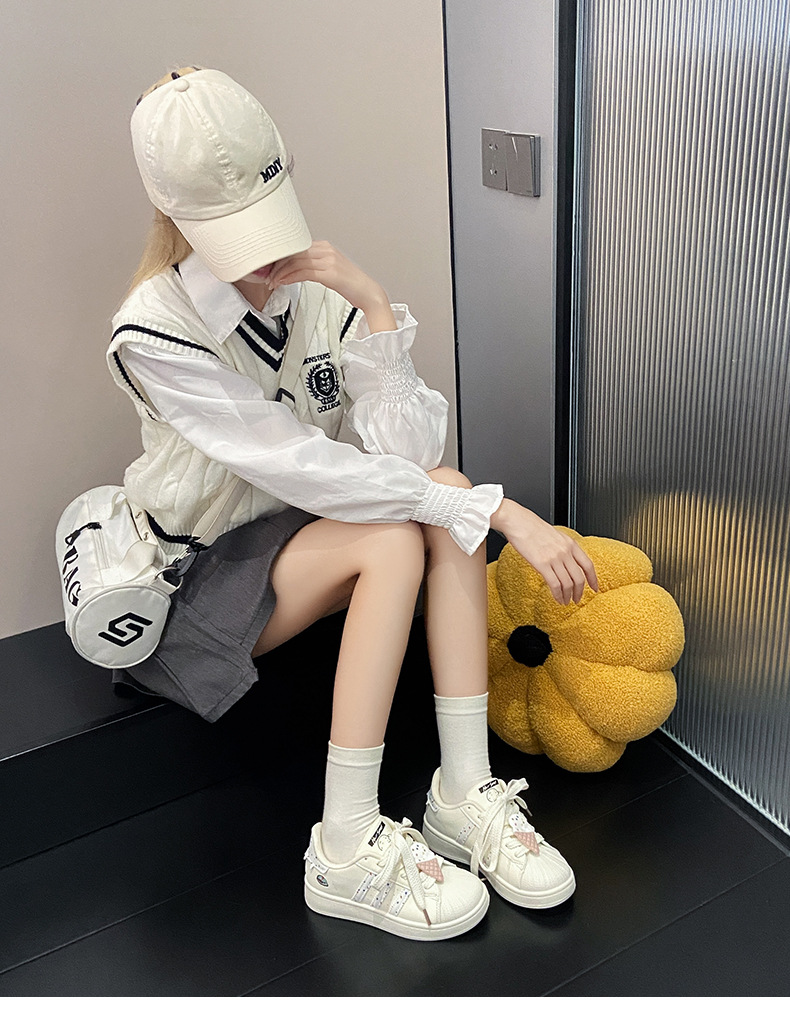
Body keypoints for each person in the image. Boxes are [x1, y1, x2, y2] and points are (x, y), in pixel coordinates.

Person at [109, 66, 599, 942]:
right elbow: (298, 463)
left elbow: (406, 458)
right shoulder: (155, 328)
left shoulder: (314, 296)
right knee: (404, 534)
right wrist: (507, 514)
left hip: (302, 535)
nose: (264, 256)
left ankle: (462, 792)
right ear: (177, 217)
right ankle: (343, 845)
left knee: (443, 493)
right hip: (202, 576)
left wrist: (373, 309)